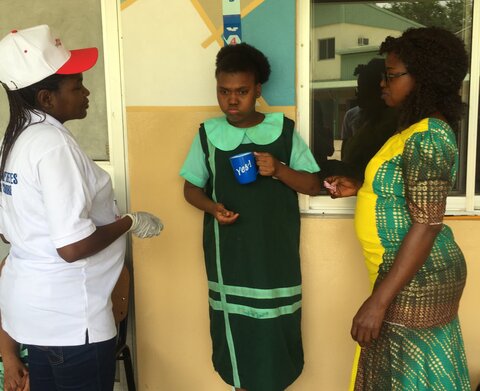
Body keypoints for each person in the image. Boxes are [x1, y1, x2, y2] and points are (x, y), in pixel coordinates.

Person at [0, 25, 162, 391]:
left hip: (36, 317)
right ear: (46, 97)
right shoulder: (53, 147)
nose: (86, 92)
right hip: (73, 323)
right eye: (76, 86)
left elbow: (10, 232)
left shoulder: (13, 140)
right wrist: (129, 222)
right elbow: (71, 247)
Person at [325, 27, 470, 390]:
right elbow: (406, 193)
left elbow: (427, 225)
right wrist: (363, 188)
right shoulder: (414, 129)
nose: (382, 84)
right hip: (405, 273)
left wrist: (378, 302)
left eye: (392, 76)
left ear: (424, 77)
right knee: (393, 373)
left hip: (418, 279)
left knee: (408, 377)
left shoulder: (428, 136)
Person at [180, 43, 321, 391]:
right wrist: (213, 208)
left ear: (257, 91)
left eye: (241, 92)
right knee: (236, 331)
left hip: (275, 256)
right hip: (230, 256)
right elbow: (190, 190)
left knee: (275, 333)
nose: (232, 100)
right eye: (224, 92)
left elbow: (314, 184)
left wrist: (278, 170)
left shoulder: (283, 131)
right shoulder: (208, 136)